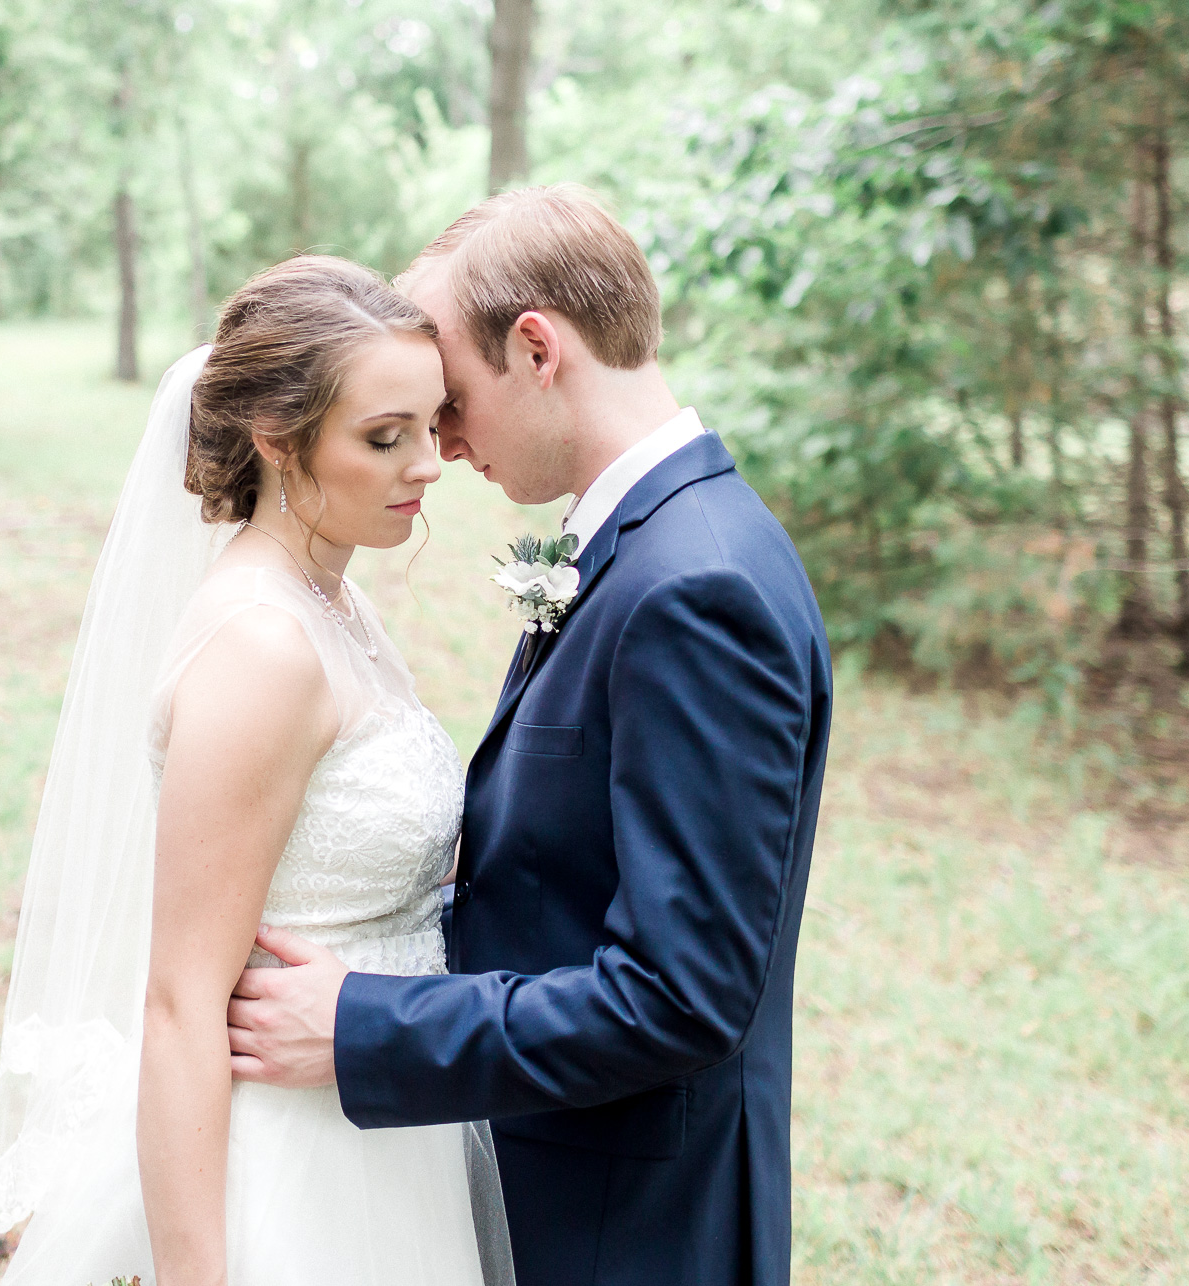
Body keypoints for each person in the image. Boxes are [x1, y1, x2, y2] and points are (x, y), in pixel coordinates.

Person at [226, 186, 834, 1286]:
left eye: (451, 400)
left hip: (629, 1224)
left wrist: (367, 1023)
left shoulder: (696, 588)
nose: (443, 446)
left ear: (538, 348)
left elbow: (678, 993)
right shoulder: (638, 543)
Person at [0, 256, 514, 1286]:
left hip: (381, 1116)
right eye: (382, 436)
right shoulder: (264, 645)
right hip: (294, 1157)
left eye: (430, 423)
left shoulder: (334, 601)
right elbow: (182, 999)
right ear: (277, 441)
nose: (428, 463)